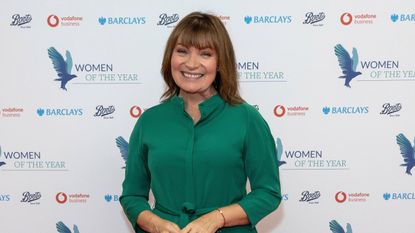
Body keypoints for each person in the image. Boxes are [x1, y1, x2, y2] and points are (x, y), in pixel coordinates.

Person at [120, 11, 281, 233]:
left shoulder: (247, 118)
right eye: (182, 51)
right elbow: (132, 195)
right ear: (170, 58)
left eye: (205, 54)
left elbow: (268, 193)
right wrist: (156, 225)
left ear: (220, 62)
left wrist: (217, 218)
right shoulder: (149, 121)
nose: (191, 63)